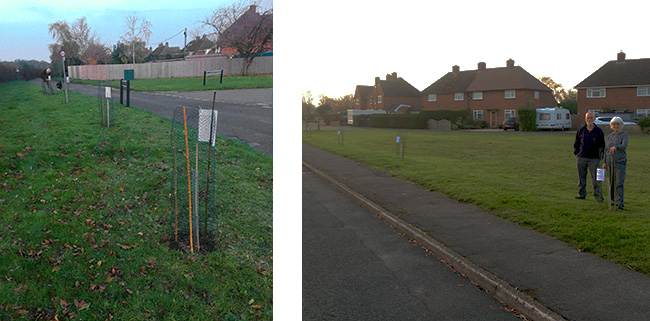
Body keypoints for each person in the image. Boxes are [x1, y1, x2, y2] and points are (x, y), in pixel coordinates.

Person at [573, 111, 605, 201]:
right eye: (588, 118)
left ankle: (598, 197)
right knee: (581, 178)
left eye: (591, 118)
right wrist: (577, 153)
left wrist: (601, 157)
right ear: (585, 119)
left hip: (594, 159)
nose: (589, 120)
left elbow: (602, 145)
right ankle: (581, 194)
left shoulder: (599, 131)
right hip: (581, 158)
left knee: (597, 179)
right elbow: (576, 143)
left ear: (594, 119)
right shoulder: (581, 130)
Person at [602, 117, 628, 210]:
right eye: (614, 124)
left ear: (621, 125)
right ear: (611, 126)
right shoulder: (610, 136)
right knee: (611, 182)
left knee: (619, 182)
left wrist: (616, 147)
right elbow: (606, 149)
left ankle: (619, 202)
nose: (616, 126)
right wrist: (604, 161)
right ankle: (612, 200)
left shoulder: (624, 134)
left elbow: (624, 145)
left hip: (620, 161)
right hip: (609, 162)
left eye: (618, 124)